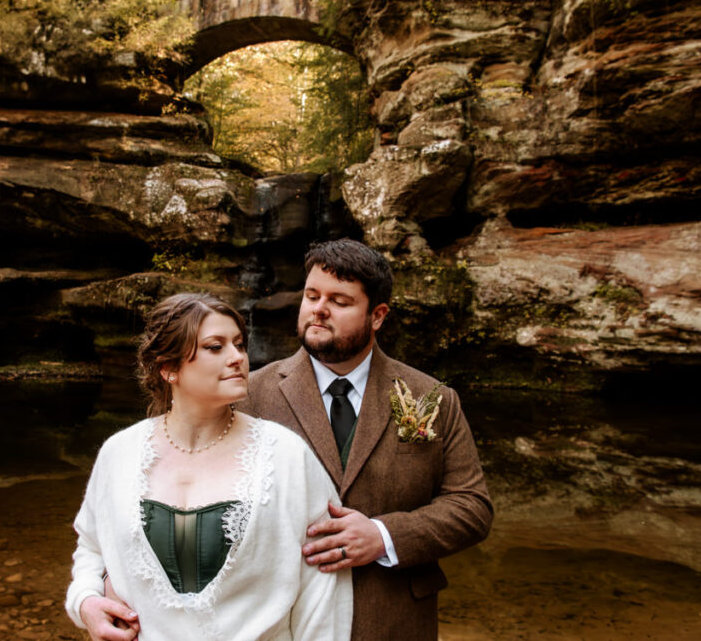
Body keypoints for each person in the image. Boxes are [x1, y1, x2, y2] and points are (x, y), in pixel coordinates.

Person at [239, 239, 493, 639]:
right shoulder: (251, 394)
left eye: (339, 301)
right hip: (284, 620)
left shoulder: (432, 398)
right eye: (311, 295)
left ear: (377, 316)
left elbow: (472, 507)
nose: (319, 309)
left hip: (393, 619)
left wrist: (382, 537)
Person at [65, 293, 352, 641]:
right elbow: (91, 547)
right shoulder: (119, 453)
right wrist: (85, 602)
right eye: (216, 347)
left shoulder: (286, 455)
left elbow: (323, 588)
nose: (239, 359)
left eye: (240, 345)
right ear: (168, 368)